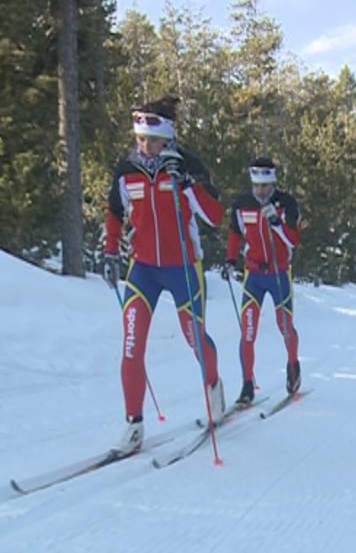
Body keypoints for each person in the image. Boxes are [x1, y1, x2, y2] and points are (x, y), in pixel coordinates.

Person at [103, 96, 226, 455]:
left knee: (194, 338)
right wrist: (111, 251)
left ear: (168, 138)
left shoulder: (188, 165)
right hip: (143, 270)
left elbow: (215, 216)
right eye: (140, 139)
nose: (146, 147)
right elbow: (114, 211)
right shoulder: (127, 169)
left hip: (184, 267)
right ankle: (133, 426)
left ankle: (214, 386)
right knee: (131, 345)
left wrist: (187, 183)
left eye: (153, 140)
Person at [222, 157, 302, 405]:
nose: (260, 192)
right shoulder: (242, 204)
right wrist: (230, 259)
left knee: (285, 326)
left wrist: (277, 224)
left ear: (273, 183)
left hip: (279, 273)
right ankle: (247, 385)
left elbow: (294, 240)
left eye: (265, 187)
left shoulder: (286, 203)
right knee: (248, 331)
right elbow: (235, 233)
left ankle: (293, 365)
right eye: (256, 186)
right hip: (254, 275)